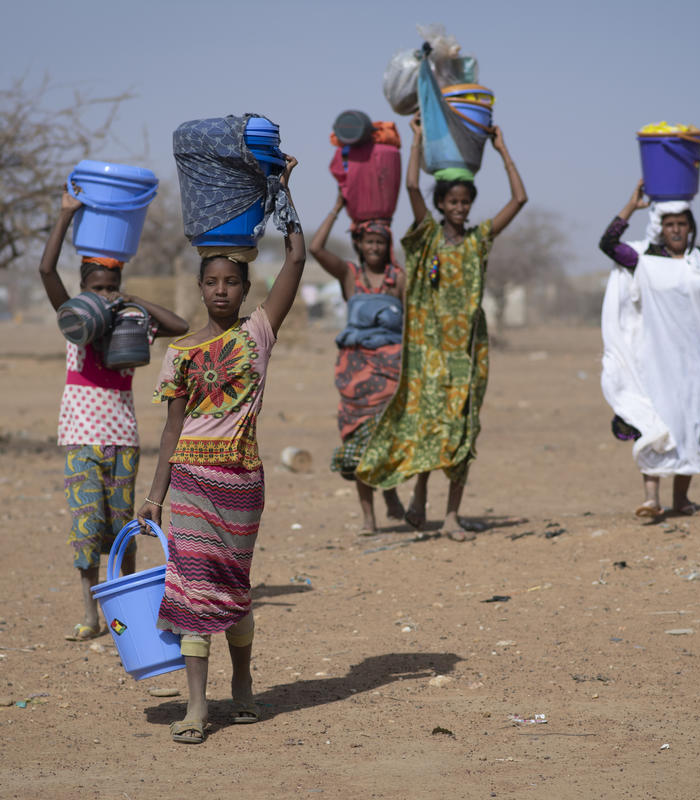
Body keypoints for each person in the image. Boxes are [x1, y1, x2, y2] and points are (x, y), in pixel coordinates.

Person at [137, 155, 304, 743]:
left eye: (231, 282)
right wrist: (152, 497)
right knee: (189, 591)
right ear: (200, 287)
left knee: (233, 587)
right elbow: (170, 430)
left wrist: (282, 196)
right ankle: (196, 709)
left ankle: (244, 685)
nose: (222, 291)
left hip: (242, 485)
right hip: (189, 483)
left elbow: (297, 260)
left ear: (245, 287)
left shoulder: (257, 334)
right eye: (212, 282)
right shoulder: (179, 353)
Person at [356, 116, 527, 542]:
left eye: (465, 202)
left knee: (462, 430)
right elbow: (413, 188)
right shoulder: (427, 236)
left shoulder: (479, 241)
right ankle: (418, 497)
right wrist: (416, 140)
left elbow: (520, 199)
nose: (459, 207)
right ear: (442, 203)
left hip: (467, 352)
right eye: (452, 200)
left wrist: (502, 150)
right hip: (426, 352)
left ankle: (451, 515)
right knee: (427, 425)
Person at [38, 189, 189, 642]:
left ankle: (124, 609)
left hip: (123, 437)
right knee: (86, 527)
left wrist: (131, 301)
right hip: (81, 437)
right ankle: (91, 614)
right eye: (96, 290)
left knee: (123, 528)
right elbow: (46, 270)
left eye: (109, 288)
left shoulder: (130, 322)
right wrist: (66, 216)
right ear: (82, 293)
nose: (103, 297)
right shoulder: (75, 322)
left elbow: (180, 326)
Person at [598, 179, 700, 519]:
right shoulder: (645, 259)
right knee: (656, 422)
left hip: (697, 359)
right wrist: (630, 206)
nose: (676, 230)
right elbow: (607, 243)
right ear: (661, 228)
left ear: (690, 227)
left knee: (691, 423)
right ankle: (651, 499)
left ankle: (681, 500)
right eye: (669, 224)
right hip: (656, 359)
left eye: (682, 224)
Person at [308, 192, 407, 534]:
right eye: (369, 242)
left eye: (380, 242)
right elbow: (316, 249)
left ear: (387, 245)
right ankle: (369, 516)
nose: (375, 248)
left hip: (391, 374)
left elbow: (413, 323)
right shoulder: (350, 276)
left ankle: (391, 492)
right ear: (360, 244)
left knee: (386, 439)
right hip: (354, 375)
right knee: (356, 443)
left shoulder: (399, 279)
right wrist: (336, 207)